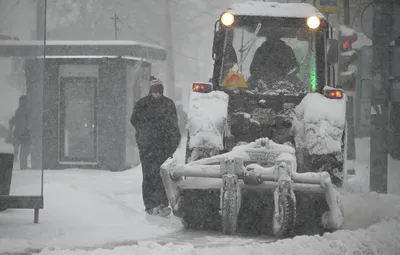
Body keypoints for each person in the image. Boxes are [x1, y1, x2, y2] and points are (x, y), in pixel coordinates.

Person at [130, 77, 181, 217]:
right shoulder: (143, 104)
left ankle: (162, 204)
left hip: (163, 148)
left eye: (159, 90)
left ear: (162, 90)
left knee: (161, 177)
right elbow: (134, 120)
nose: (157, 92)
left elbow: (174, 128)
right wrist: (144, 135)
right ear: (150, 90)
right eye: (155, 90)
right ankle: (151, 205)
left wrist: (171, 146)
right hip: (148, 148)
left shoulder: (168, 104)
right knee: (149, 176)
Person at [7, 95, 30, 169]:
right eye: (21, 101)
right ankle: (23, 165)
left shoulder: (20, 110)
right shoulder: (23, 110)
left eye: (22, 101)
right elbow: (21, 121)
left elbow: (19, 120)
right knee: (24, 150)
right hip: (22, 133)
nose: (21, 102)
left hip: (20, 132)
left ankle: (22, 165)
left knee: (23, 150)